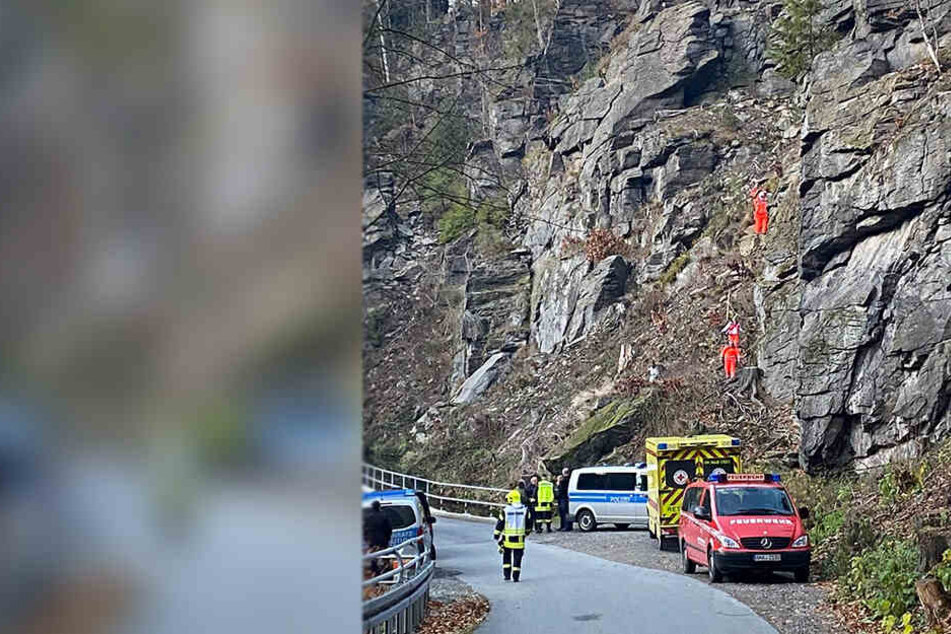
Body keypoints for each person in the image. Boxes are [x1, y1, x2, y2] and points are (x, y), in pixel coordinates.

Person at [494, 488, 530, 582]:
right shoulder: (525, 510)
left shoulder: (505, 511)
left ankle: (507, 575)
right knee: (517, 558)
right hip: (520, 540)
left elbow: (500, 523)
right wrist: (527, 532)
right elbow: (529, 523)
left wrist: (496, 535)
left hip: (507, 540)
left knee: (507, 557)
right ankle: (516, 576)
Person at [364, 500, 393, 576]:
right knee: (384, 557)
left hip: (372, 541)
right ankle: (386, 573)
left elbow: (364, 529)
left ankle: (375, 572)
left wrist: (366, 539)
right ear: (379, 507)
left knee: (373, 558)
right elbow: (388, 529)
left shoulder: (368, 517)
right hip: (383, 541)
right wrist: (388, 538)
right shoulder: (384, 516)